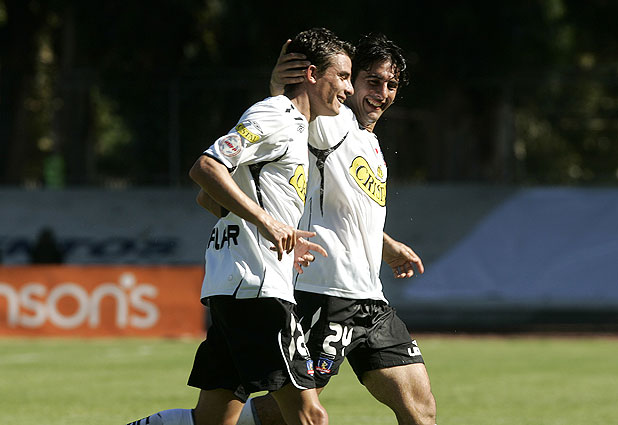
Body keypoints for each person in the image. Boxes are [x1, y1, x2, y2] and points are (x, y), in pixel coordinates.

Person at [126, 28, 354, 425]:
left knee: (212, 421)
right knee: (309, 415)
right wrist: (266, 222)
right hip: (257, 289)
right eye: (344, 76)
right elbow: (205, 168)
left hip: (235, 285)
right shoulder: (276, 115)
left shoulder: (296, 126)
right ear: (313, 74)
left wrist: (274, 228)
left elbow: (209, 199)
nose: (349, 89)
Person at [237, 33, 437, 425]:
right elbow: (300, 106)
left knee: (421, 409)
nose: (382, 93)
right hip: (323, 294)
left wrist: (385, 244)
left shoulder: (370, 143)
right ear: (349, 82)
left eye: (391, 84)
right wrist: (280, 86)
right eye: (372, 81)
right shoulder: (333, 121)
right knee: (283, 414)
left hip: (371, 300)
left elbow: (349, 211)